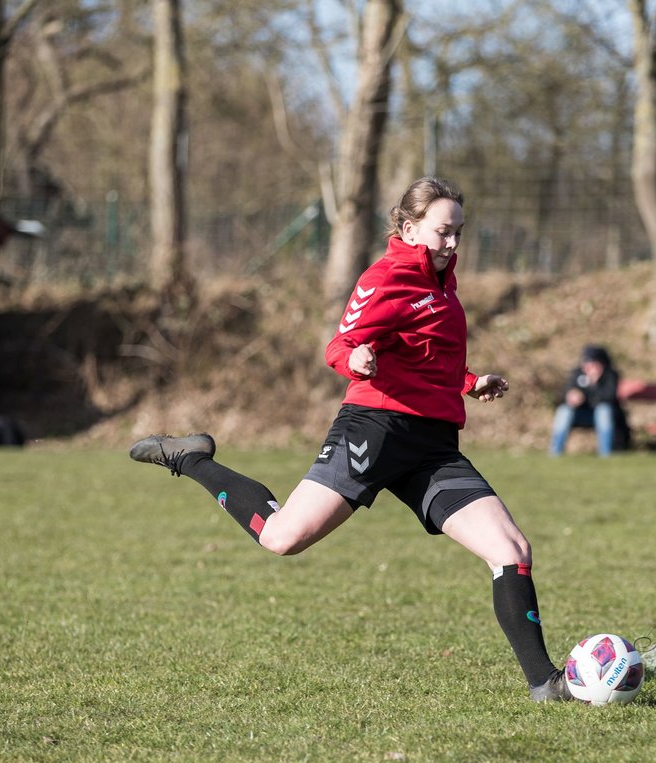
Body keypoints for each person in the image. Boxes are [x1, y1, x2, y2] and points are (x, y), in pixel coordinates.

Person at [130, 176, 573, 702]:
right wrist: (354, 358)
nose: (452, 244)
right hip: (375, 430)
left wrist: (469, 383)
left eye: (458, 232)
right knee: (282, 538)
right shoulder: (386, 277)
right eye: (442, 232)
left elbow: (426, 357)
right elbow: (340, 344)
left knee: (511, 549)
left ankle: (545, 683)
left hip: (432, 447)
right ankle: (192, 458)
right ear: (409, 229)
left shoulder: (443, 283)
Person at [549, 344, 622, 457]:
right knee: (564, 411)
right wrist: (571, 397)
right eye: (587, 363)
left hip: (602, 416)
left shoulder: (610, 376)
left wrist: (593, 386)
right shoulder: (577, 374)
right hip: (580, 414)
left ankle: (605, 454)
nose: (589, 367)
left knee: (603, 411)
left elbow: (610, 397)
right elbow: (564, 394)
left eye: (593, 364)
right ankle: (555, 453)